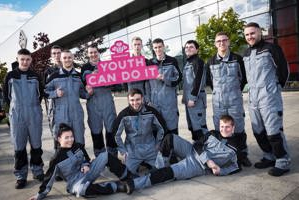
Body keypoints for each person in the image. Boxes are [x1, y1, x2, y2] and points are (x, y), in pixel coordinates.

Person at [118, 115, 241, 193]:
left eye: (227, 127)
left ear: (233, 128)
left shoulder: (235, 147)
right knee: (169, 138)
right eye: (222, 126)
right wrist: (209, 160)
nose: (224, 129)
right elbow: (198, 145)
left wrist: (220, 170)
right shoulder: (213, 133)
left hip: (197, 165)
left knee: (168, 173)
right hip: (192, 151)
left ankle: (135, 184)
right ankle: (158, 168)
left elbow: (236, 167)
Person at [29, 123, 133, 200]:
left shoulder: (78, 146)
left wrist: (86, 164)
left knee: (105, 155)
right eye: (67, 138)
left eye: (71, 137)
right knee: (81, 190)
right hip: (75, 183)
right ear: (59, 139)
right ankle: (118, 187)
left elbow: (86, 158)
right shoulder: (56, 159)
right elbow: (48, 180)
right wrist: (40, 195)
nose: (70, 140)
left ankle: (126, 175)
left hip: (88, 172)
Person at [243, 22, 290, 176]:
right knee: (258, 130)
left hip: (269, 96)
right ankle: (269, 156)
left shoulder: (271, 48)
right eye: (247, 34)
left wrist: (275, 88)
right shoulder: (246, 53)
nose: (250, 36)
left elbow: (284, 70)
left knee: (274, 131)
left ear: (259, 33)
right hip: (253, 98)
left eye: (253, 33)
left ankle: (283, 162)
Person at [206, 32, 251, 167]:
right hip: (218, 103)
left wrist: (234, 91)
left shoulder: (237, 59)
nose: (221, 43)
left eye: (224, 40)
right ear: (215, 44)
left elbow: (243, 79)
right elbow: (210, 81)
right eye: (218, 41)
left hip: (234, 102)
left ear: (228, 42)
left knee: (238, 129)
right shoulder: (210, 61)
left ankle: (242, 155)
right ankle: (224, 155)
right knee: (221, 130)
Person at [3, 49, 44, 189]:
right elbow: (6, 97)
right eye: (22, 59)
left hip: (34, 112)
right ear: (17, 59)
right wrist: (15, 109)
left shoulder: (35, 76)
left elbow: (41, 95)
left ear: (31, 60)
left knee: (36, 145)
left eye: (27, 59)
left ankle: (38, 172)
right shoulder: (10, 76)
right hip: (17, 114)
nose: (25, 62)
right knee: (19, 147)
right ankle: (21, 176)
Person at [114, 88, 167, 174]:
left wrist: (158, 145)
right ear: (128, 100)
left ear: (142, 99)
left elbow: (162, 128)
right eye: (132, 100)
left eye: (138, 99)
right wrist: (123, 151)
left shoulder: (151, 111)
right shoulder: (124, 114)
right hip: (132, 151)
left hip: (150, 149)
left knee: (162, 171)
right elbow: (116, 135)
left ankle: (145, 164)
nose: (135, 103)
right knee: (126, 174)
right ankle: (140, 164)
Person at [45, 50, 91, 148]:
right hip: (61, 115)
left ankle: (81, 162)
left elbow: (82, 93)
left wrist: (88, 93)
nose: (67, 60)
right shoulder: (54, 76)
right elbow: (44, 92)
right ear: (61, 59)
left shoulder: (78, 76)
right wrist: (55, 93)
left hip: (77, 114)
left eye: (69, 57)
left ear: (73, 58)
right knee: (63, 142)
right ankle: (62, 163)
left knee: (79, 140)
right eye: (65, 58)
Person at [81, 44, 117, 156]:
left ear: (98, 53)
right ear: (88, 54)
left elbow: (117, 84)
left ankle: (112, 155)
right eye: (90, 52)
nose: (93, 54)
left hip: (107, 101)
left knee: (111, 129)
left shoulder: (107, 65)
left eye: (95, 52)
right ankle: (100, 156)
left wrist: (108, 80)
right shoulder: (84, 68)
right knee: (96, 131)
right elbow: (82, 88)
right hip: (93, 103)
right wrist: (89, 86)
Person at [146, 38, 182, 135]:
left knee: (172, 128)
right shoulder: (149, 63)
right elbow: (146, 84)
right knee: (157, 129)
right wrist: (148, 100)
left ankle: (173, 149)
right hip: (154, 103)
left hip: (169, 102)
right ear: (153, 49)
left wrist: (165, 78)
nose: (158, 49)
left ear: (164, 47)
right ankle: (160, 150)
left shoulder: (172, 61)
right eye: (156, 47)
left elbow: (178, 78)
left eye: (160, 47)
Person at [182, 40, 208, 141]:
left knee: (200, 128)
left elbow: (198, 80)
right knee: (192, 127)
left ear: (197, 50)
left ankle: (207, 151)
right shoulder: (188, 62)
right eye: (186, 47)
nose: (188, 48)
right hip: (189, 100)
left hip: (196, 100)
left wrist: (192, 98)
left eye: (191, 47)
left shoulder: (198, 61)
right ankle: (198, 149)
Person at [43, 45, 62, 134]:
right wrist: (55, 93)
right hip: (54, 108)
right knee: (57, 134)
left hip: (69, 106)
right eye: (54, 53)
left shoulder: (69, 68)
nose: (57, 55)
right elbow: (44, 91)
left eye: (58, 53)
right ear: (51, 55)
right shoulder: (48, 72)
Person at [127, 36, 149, 102]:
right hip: (132, 97)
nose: (137, 47)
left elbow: (148, 81)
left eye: (139, 44)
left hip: (144, 96)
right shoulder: (126, 63)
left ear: (141, 46)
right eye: (135, 44)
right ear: (132, 46)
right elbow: (124, 82)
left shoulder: (147, 62)